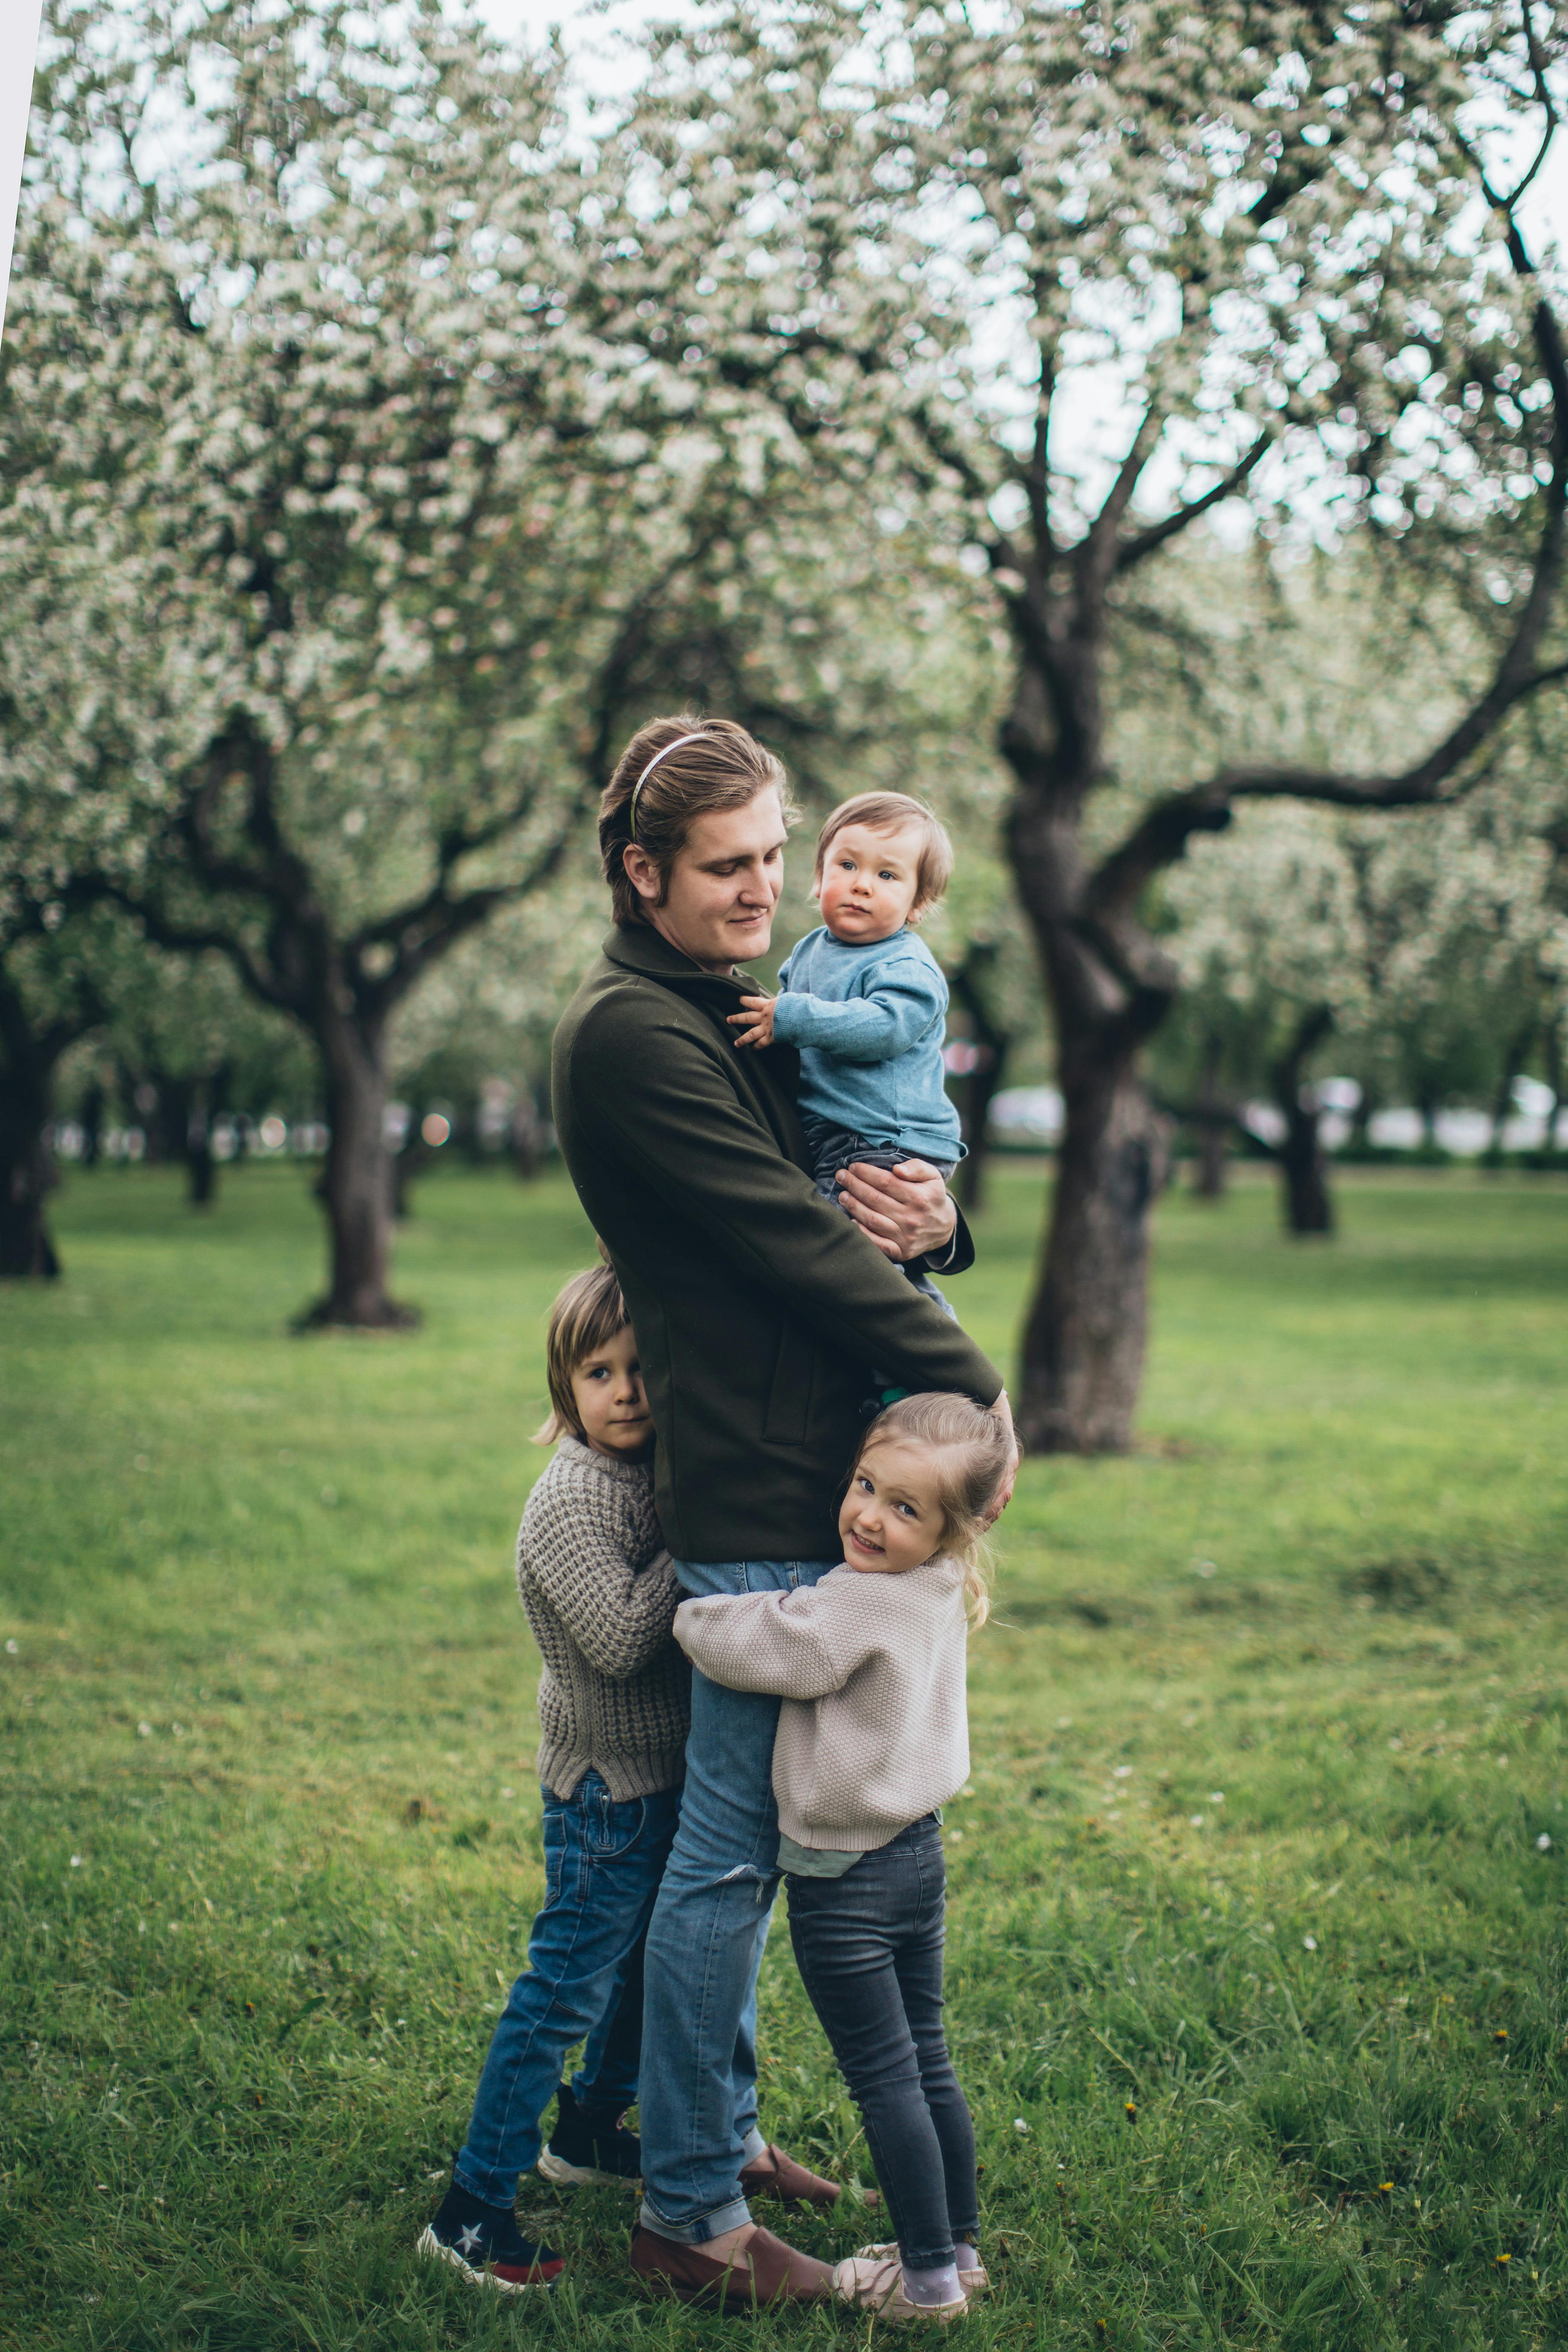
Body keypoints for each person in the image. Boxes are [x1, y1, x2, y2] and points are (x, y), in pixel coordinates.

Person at [551, 714, 1016, 2311]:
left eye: (775, 853)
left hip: (818, 1456)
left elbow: (850, 1188)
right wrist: (974, 1390)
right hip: (751, 1471)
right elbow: (781, 1235)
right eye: (731, 865)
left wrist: (933, 1222)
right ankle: (687, 2206)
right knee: (731, 1858)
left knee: (732, 1843)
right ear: (643, 872)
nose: (769, 888)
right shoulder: (631, 1030)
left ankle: (704, 2126)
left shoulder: (725, 994)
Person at [674, 1392, 1006, 2326]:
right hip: (918, 1856)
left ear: (952, 1526)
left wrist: (689, 1608)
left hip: (843, 1879)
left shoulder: (857, 1600)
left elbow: (769, 1643)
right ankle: (959, 2245)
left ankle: (926, 2280)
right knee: (929, 2058)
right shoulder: (941, 1584)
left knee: (885, 2075)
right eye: (866, 1485)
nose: (868, 1515)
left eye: (905, 1508)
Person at [418, 1266, 689, 2295]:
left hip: (656, 1780)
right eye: (598, 1371)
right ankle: (471, 2211)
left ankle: (584, 2131)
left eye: (640, 1368)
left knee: (641, 1975)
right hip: (600, 1794)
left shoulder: (642, 1471)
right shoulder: (572, 1500)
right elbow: (623, 1639)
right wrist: (694, 1534)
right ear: (562, 1386)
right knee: (561, 1991)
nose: (625, 1391)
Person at [728, 792, 964, 1312]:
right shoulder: (811, 949)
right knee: (856, 1255)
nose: (861, 883)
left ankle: (929, 1348)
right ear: (819, 878)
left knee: (845, 1253)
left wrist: (789, 1016)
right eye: (848, 864)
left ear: (917, 903)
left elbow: (883, 1029)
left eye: (888, 876)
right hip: (838, 1130)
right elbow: (793, 1039)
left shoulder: (908, 967)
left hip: (888, 1136)